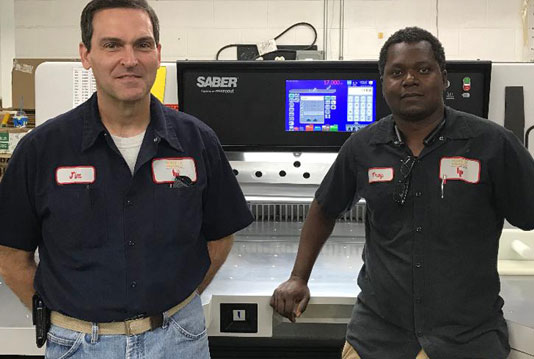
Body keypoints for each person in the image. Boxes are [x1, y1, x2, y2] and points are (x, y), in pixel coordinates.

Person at [0, 0, 253, 358]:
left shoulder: (197, 142)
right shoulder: (42, 150)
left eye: (142, 44)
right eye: (112, 45)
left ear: (158, 53)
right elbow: (11, 256)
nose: (130, 59)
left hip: (179, 339)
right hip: (78, 345)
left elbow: (220, 237)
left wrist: (180, 303)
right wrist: (61, 320)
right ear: (85, 55)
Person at [271, 26, 534, 359]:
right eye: (397, 72)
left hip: (466, 339)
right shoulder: (363, 147)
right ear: (384, 84)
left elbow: (528, 214)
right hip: (377, 338)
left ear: (443, 77)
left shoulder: (492, 144)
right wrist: (298, 277)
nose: (410, 80)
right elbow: (324, 207)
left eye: (423, 69)